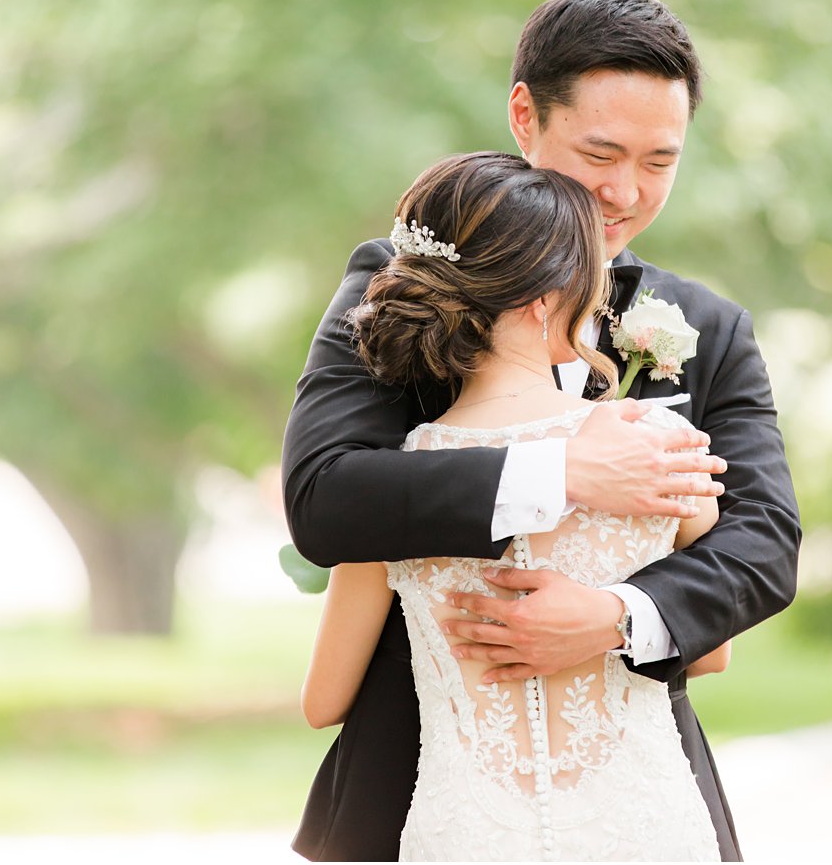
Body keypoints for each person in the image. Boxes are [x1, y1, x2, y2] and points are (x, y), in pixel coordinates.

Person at [282, 0, 800, 861]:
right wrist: (561, 472)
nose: (623, 191)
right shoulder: (401, 286)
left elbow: (764, 544)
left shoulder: (706, 329)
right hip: (420, 795)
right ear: (525, 115)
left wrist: (619, 613)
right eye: (600, 150)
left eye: (659, 161)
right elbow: (325, 492)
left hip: (637, 801)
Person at [302, 151, 733, 861]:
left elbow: (323, 703)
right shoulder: (659, 445)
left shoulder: (391, 488)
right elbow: (710, 649)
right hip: (643, 827)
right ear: (543, 299)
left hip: (466, 832)